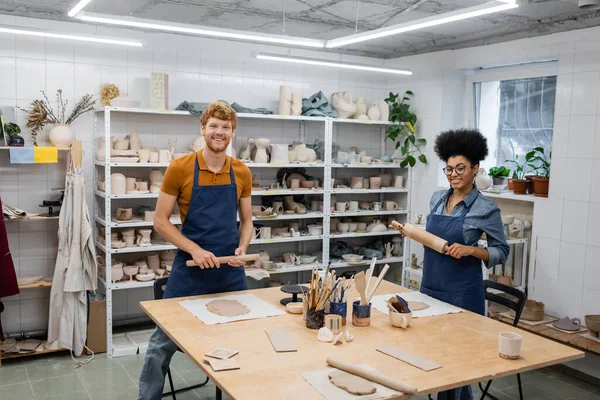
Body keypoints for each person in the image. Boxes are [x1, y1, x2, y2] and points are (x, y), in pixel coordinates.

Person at [138, 102, 253, 400]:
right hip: (189, 271)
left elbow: (248, 220)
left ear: (232, 132)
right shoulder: (179, 168)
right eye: (214, 125)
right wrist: (195, 250)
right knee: (161, 344)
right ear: (202, 129)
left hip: (229, 270)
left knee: (245, 338)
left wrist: (243, 245)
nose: (219, 132)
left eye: (226, 127)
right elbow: (160, 222)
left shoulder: (241, 172)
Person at [394, 129, 509, 400]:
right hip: (431, 288)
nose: (454, 174)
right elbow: (432, 237)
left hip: (463, 293)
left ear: (475, 168)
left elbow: (501, 252)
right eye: (449, 169)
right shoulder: (437, 198)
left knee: (459, 363)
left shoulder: (486, 208)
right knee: (434, 357)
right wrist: (413, 233)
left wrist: (472, 250)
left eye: (460, 168)